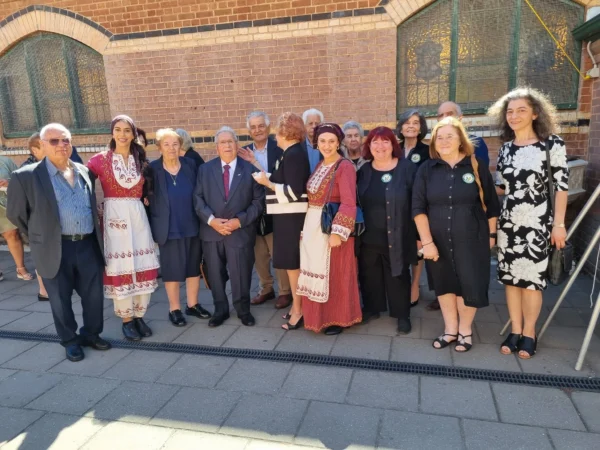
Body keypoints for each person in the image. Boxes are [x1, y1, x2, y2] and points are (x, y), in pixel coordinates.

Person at [7, 123, 110, 362]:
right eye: (54, 141)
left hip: (87, 245)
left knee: (94, 296)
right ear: (42, 145)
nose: (61, 145)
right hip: (54, 248)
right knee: (60, 299)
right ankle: (70, 340)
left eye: (66, 140)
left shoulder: (84, 171)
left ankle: (92, 334)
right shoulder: (26, 176)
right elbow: (16, 214)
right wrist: (40, 236)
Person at [488, 87, 569, 359]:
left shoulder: (551, 144)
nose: (514, 116)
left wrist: (559, 224)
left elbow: (561, 187)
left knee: (532, 282)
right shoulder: (506, 149)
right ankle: (515, 329)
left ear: (535, 113)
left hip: (538, 223)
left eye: (521, 110)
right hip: (509, 223)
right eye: (510, 111)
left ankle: (530, 333)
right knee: (511, 280)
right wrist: (475, 184)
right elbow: (502, 187)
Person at [413, 117, 500, 352]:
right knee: (445, 285)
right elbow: (418, 208)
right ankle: (450, 330)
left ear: (460, 139)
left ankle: (465, 330)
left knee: (469, 284)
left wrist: (491, 236)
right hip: (437, 240)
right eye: (439, 137)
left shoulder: (475, 165)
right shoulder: (426, 169)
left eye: (449, 136)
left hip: (473, 238)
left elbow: (492, 205)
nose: (444, 141)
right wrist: (427, 242)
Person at [87, 115, 159, 341]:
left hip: (138, 217)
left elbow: (151, 190)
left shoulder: (142, 161)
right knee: (121, 266)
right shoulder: (99, 160)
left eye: (127, 130)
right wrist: (93, 208)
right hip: (114, 218)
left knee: (141, 264)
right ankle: (126, 319)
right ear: (112, 132)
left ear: (133, 134)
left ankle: (139, 315)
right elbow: (82, 185)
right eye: (118, 129)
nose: (122, 134)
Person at [424, 101, 493, 312]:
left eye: (450, 113)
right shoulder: (429, 166)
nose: (445, 117)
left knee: (469, 279)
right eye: (440, 114)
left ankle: (464, 324)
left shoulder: (476, 155)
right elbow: (420, 204)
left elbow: (488, 198)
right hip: (439, 232)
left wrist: (491, 235)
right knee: (444, 279)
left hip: (470, 231)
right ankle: (449, 317)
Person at [194, 126, 264, 328]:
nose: (227, 145)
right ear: (217, 147)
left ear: (236, 144)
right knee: (215, 274)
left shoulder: (250, 170)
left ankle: (243, 310)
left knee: (241, 273)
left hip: (240, 232)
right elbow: (197, 198)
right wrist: (212, 220)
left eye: (230, 141)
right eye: (223, 142)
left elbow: (258, 202)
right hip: (212, 232)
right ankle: (220, 310)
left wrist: (239, 221)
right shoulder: (205, 170)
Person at [297, 123, 361, 335]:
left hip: (331, 226)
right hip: (313, 226)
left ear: (338, 143)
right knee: (316, 269)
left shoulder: (344, 167)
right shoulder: (320, 164)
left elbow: (349, 202)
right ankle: (318, 317)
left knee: (336, 273)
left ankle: (339, 318)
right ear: (317, 143)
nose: (327, 145)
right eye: (322, 141)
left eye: (331, 141)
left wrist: (337, 232)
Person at [253, 112, 311, 331]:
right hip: (286, 217)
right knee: (290, 265)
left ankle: (298, 310)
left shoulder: (293, 154)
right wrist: (266, 178)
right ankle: (297, 306)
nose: (275, 136)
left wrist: (267, 183)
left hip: (291, 218)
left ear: (287, 133)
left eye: (278, 131)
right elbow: (283, 181)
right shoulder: (289, 153)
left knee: (293, 266)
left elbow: (295, 192)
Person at [357, 127, 418, 334]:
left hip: (399, 234)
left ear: (393, 145)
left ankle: (402, 314)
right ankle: (372, 308)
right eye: (375, 141)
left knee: (398, 275)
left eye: (385, 141)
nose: (380, 146)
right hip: (369, 237)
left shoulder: (407, 168)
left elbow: (418, 203)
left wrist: (419, 236)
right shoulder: (364, 171)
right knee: (369, 274)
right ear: (369, 146)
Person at [148, 128, 211, 327]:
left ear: (180, 146)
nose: (171, 148)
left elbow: (201, 192)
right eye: (166, 144)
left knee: (193, 267)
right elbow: (145, 196)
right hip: (168, 227)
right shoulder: (152, 169)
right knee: (171, 269)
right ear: (159, 148)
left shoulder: (190, 165)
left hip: (191, 224)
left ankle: (192, 304)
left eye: (175, 144)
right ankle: (174, 309)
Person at [238, 111, 292, 310]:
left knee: (278, 252)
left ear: (268, 127)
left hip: (277, 208)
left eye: (261, 125)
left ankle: (285, 291)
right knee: (259, 254)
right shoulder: (243, 153)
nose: (257, 130)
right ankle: (266, 288)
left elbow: (279, 179)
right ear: (249, 131)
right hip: (254, 210)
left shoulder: (280, 148)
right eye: (253, 127)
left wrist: (256, 164)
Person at [397, 109, 429, 308]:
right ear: (401, 127)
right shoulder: (394, 149)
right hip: (397, 207)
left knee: (418, 247)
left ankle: (415, 284)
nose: (411, 126)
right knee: (400, 245)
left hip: (418, 205)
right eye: (407, 122)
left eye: (415, 122)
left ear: (420, 128)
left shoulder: (427, 151)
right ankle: (401, 283)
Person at [21, 133, 50, 300]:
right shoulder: (27, 170)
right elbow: (18, 209)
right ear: (35, 150)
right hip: (38, 220)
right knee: (42, 256)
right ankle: (44, 291)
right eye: (45, 145)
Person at [0, 152, 34, 283]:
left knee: (12, 234)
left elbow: (19, 180)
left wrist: (8, 183)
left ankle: (21, 268)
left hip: (5, 204)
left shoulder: (5, 161)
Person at [437, 101, 490, 167]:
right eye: (441, 115)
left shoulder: (476, 143)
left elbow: (483, 171)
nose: (444, 118)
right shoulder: (436, 145)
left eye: (449, 114)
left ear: (460, 117)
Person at [301, 108, 324, 172]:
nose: (314, 126)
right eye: (310, 123)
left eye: (317, 123)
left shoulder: (327, 145)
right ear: (304, 126)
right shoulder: (298, 145)